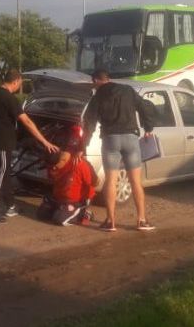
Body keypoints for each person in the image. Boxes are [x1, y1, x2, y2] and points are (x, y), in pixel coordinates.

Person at [82, 69, 157, 232]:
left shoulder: (97, 96)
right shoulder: (128, 90)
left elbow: (89, 121)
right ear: (108, 79)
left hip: (110, 140)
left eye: (93, 83)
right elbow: (144, 106)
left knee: (110, 180)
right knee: (136, 181)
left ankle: (110, 222)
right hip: (131, 138)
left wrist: (84, 144)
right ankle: (142, 220)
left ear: (96, 81)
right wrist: (148, 127)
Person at [0, 68, 58, 223]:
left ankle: (9, 205)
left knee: (3, 173)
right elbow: (27, 122)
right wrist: (44, 141)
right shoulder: (9, 98)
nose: (19, 87)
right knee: (1, 174)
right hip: (1, 142)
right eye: (19, 84)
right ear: (15, 81)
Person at [41, 126, 97, 226]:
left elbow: (95, 182)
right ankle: (61, 208)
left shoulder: (79, 164)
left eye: (54, 166)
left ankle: (83, 212)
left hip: (75, 200)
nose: (52, 169)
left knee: (59, 220)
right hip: (59, 196)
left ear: (61, 160)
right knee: (42, 214)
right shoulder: (53, 163)